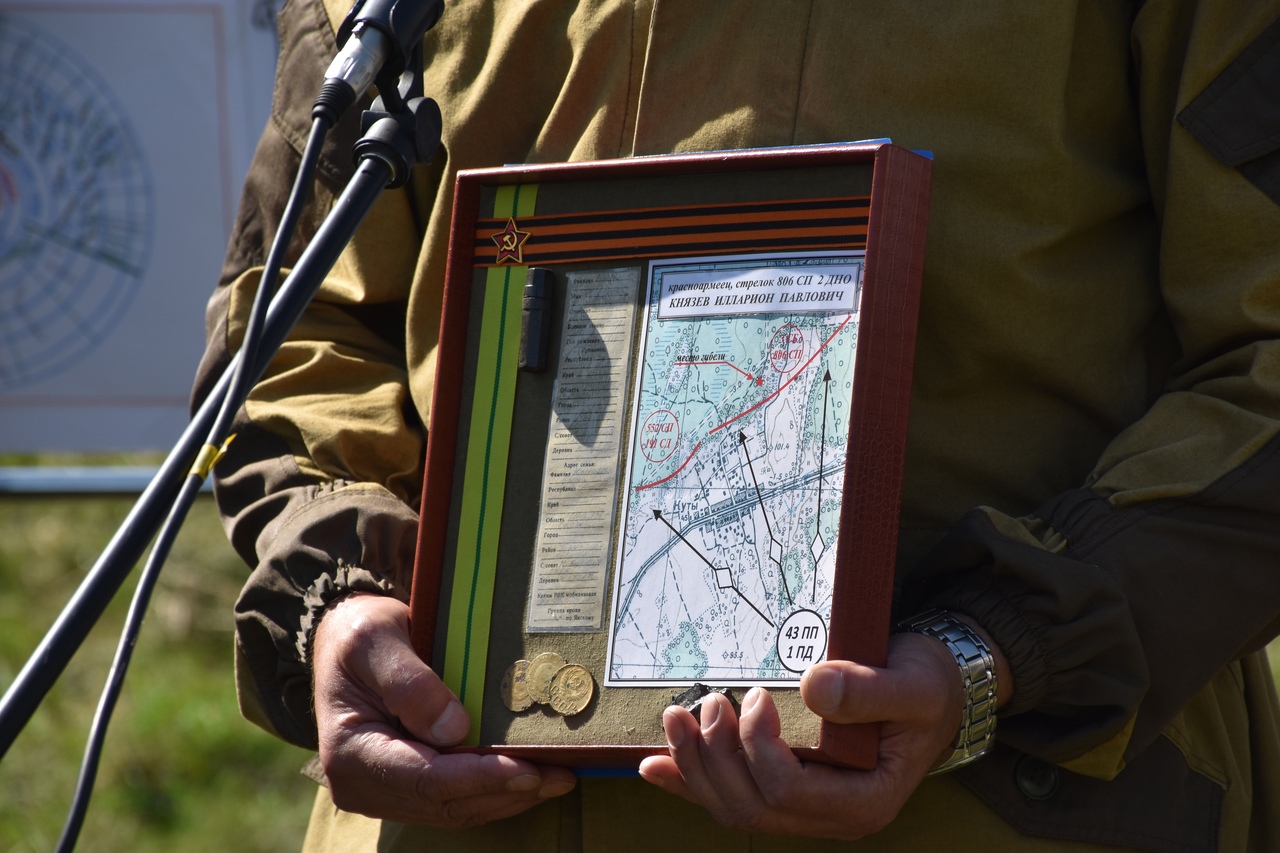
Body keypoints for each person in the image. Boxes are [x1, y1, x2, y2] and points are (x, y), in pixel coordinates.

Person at [194, 0, 1280, 850]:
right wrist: (338, 601)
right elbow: (290, 333)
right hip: (459, 817)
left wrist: (993, 659)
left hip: (1002, 808)